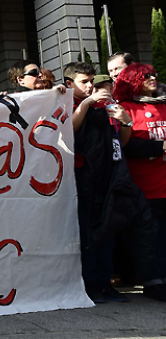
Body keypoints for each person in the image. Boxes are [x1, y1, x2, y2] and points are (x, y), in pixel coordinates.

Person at [66, 61, 166, 303]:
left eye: (93, 82)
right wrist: (87, 103)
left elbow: (120, 142)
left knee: (108, 230)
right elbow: (69, 130)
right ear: (70, 84)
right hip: (85, 177)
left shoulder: (106, 106)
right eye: (85, 82)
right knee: (90, 234)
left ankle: (105, 283)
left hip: (110, 176)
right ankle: (91, 284)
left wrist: (125, 122)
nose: (91, 87)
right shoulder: (72, 105)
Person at [114, 63, 166, 291]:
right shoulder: (125, 108)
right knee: (150, 237)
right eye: (146, 76)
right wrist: (160, 147)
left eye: (153, 74)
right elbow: (126, 145)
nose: (152, 78)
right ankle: (153, 282)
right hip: (145, 187)